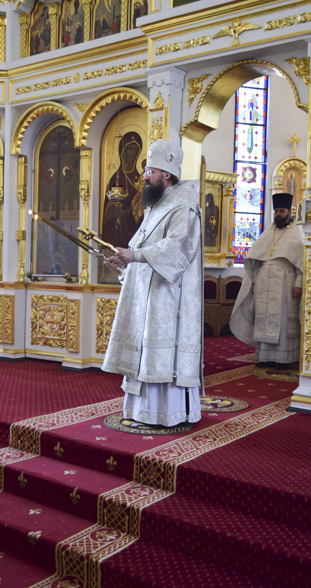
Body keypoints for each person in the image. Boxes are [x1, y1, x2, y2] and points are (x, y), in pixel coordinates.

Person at [102, 139, 203, 427]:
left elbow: (178, 248)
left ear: (166, 174)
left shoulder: (183, 206)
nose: (144, 176)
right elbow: (141, 247)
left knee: (160, 352)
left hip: (167, 297)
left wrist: (135, 255)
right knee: (143, 350)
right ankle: (141, 410)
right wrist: (124, 261)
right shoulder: (155, 207)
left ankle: (168, 412)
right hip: (146, 295)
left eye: (150, 171)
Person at [230, 192, 303, 370]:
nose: (278, 214)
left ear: (289, 212)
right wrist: (254, 281)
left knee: (282, 323)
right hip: (264, 282)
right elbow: (257, 261)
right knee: (263, 319)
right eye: (276, 211)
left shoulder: (297, 234)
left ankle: (284, 358)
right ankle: (265, 357)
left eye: (282, 211)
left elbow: (302, 265)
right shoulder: (267, 233)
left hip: (286, 283)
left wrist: (298, 284)